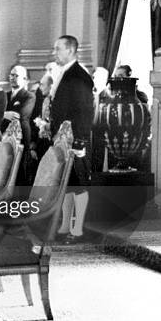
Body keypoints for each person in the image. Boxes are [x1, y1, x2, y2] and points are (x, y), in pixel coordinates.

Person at [50, 35, 94, 243]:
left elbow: (84, 111)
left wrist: (80, 143)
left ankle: (77, 229)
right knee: (67, 185)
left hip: (75, 142)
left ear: (70, 50)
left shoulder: (79, 76)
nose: (54, 52)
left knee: (78, 185)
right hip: (64, 140)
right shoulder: (67, 73)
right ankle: (66, 225)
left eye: (58, 49)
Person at [1, 65, 36, 184]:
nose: (13, 77)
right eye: (11, 75)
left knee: (19, 172)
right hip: (3, 136)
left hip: (20, 137)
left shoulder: (29, 96)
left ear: (25, 79)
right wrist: (4, 114)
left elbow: (20, 115)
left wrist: (2, 114)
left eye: (16, 75)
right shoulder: (4, 95)